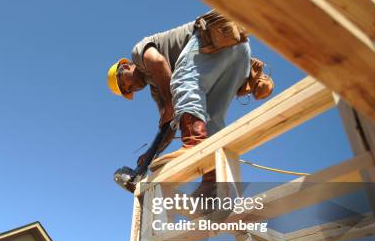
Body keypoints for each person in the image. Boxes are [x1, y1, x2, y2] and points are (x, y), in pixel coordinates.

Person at [107, 10, 272, 191]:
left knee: (182, 81)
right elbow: (171, 122)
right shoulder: (157, 88)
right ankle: (213, 184)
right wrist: (151, 154)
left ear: (125, 67)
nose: (131, 89)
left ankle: (195, 144)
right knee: (211, 117)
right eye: (128, 92)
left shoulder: (138, 54)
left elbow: (158, 62)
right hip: (239, 55)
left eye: (125, 85)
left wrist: (170, 104)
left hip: (215, 36)